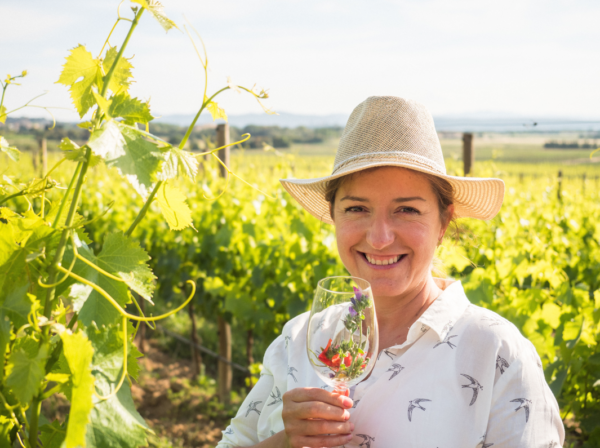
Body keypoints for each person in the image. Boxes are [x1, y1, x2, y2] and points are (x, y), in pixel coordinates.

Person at [216, 96, 564, 448]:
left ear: (444, 222)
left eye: (407, 210)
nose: (380, 238)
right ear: (334, 217)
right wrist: (283, 443)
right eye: (356, 208)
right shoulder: (300, 339)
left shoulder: (497, 353)